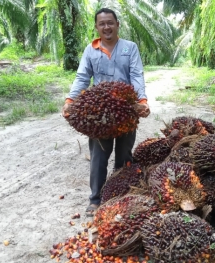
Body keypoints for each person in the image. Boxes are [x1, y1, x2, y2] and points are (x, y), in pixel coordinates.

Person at [62, 7, 150, 216]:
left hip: (126, 111)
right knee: (98, 156)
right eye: (102, 23)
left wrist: (142, 101)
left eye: (110, 22)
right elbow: (82, 77)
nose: (106, 27)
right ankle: (95, 199)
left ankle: (120, 194)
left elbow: (136, 75)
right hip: (100, 114)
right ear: (97, 27)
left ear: (117, 25)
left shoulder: (130, 48)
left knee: (124, 155)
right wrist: (70, 100)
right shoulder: (90, 50)